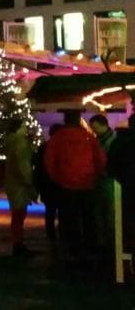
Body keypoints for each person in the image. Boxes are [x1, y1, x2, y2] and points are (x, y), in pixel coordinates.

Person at [44, 110, 106, 261]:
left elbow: (49, 162)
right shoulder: (88, 137)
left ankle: (74, 249)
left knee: (70, 218)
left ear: (65, 120)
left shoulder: (57, 138)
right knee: (88, 217)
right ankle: (91, 247)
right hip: (87, 183)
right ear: (79, 120)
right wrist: (95, 176)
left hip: (66, 184)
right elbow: (101, 159)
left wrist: (58, 178)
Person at [4, 118, 37, 256]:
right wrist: (29, 181)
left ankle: (17, 242)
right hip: (19, 184)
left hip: (12, 182)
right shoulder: (20, 142)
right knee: (19, 214)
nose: (26, 129)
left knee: (17, 214)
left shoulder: (10, 141)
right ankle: (18, 244)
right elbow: (22, 164)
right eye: (24, 127)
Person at [89, 114, 117, 261]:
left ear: (103, 125)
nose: (93, 130)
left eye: (95, 127)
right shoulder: (103, 139)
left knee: (108, 212)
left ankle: (109, 242)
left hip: (107, 180)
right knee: (103, 212)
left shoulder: (110, 140)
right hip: (102, 180)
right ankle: (106, 241)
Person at [108, 118, 135, 254]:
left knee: (127, 220)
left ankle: (127, 249)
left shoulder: (119, 141)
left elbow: (111, 166)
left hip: (126, 187)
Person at [34, 123, 63, 241]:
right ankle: (61, 233)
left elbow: (38, 168)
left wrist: (37, 186)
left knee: (50, 211)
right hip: (61, 184)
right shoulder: (63, 147)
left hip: (47, 184)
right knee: (62, 210)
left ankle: (51, 234)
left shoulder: (44, 147)